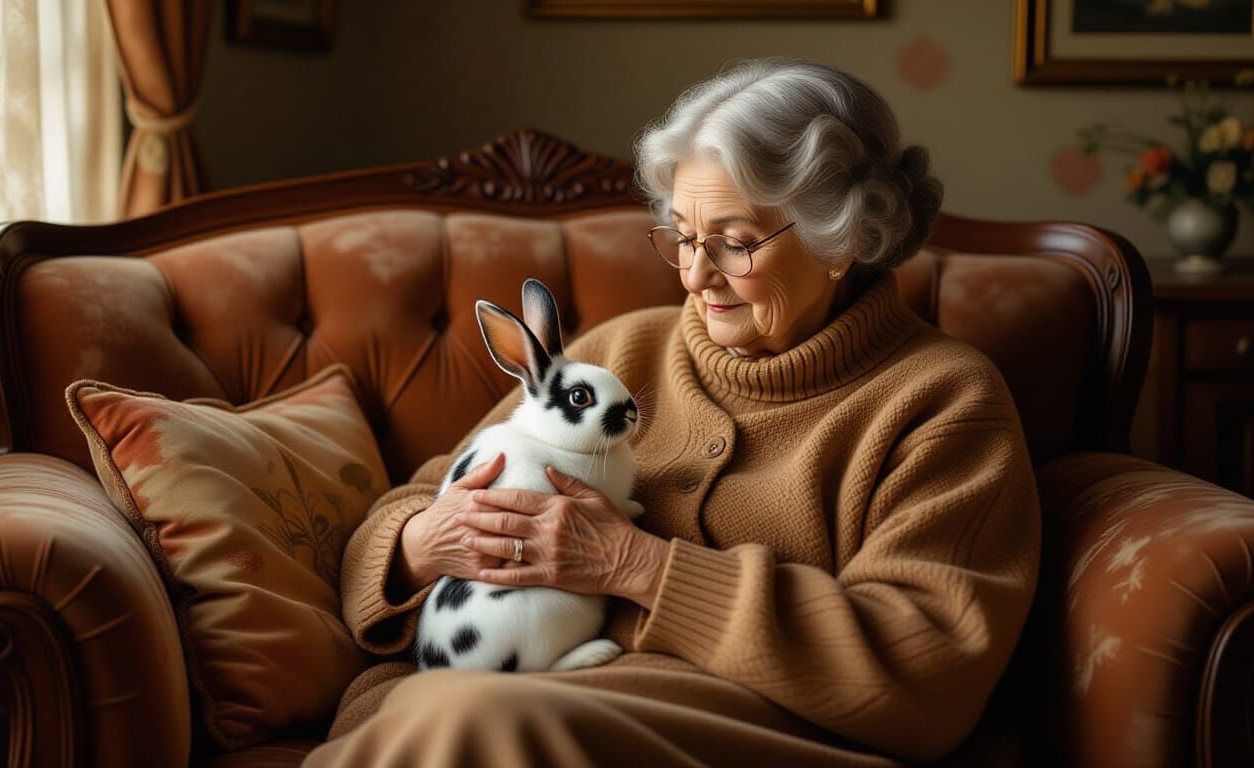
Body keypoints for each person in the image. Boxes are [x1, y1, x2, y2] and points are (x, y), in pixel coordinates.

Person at [303, 57, 1040, 767]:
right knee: (431, 715)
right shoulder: (616, 354)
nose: (694, 274)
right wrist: (425, 542)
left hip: (740, 731)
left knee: (458, 719)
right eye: (684, 238)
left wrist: (641, 566)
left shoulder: (943, 401)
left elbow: (926, 663)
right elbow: (406, 507)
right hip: (500, 691)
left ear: (838, 242)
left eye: (734, 243)